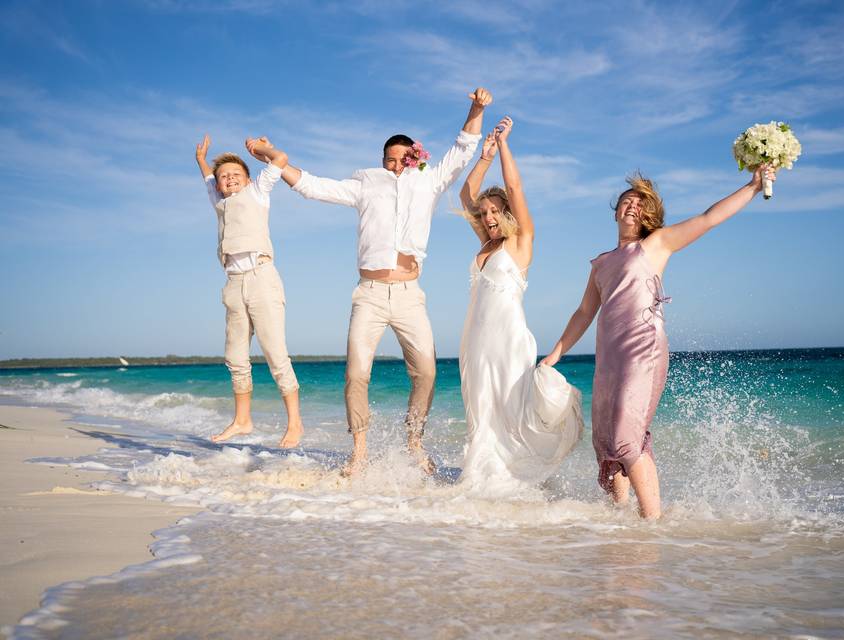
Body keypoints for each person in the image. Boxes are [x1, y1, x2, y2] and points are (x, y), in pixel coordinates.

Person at [260, 89, 492, 476]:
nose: (398, 165)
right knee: (356, 373)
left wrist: (477, 108)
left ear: (415, 158)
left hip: (409, 294)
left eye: (405, 159)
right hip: (368, 294)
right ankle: (360, 450)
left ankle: (414, 440)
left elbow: (464, 147)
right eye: (390, 160)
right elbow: (314, 186)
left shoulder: (428, 182)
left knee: (428, 372)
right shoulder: (366, 184)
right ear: (382, 161)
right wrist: (275, 160)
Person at [540, 165, 777, 518]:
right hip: (609, 360)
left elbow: (709, 218)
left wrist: (753, 186)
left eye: (639, 203)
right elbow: (584, 313)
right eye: (625, 201)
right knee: (605, 445)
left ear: (649, 215)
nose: (631, 206)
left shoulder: (657, 244)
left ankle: (652, 522)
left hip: (643, 350)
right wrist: (555, 354)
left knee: (625, 437)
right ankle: (618, 522)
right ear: (616, 211)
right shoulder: (601, 263)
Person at [456, 116, 583, 494]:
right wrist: (484, 157)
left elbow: (514, 185)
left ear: (508, 213)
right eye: (485, 213)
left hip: (507, 340)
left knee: (509, 413)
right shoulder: (485, 244)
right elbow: (467, 194)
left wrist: (504, 146)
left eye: (496, 211)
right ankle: (481, 480)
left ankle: (519, 479)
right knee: (481, 413)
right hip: (474, 342)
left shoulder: (520, 243)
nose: (489, 217)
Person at [195, 136, 304, 448]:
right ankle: (242, 420)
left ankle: (295, 424)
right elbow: (207, 179)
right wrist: (201, 159)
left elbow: (281, 159)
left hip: (261, 278)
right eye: (224, 177)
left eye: (235, 175)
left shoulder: (258, 192)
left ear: (246, 180)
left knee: (275, 353)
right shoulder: (218, 201)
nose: (228, 179)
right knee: (235, 357)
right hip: (233, 284)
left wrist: (261, 151)